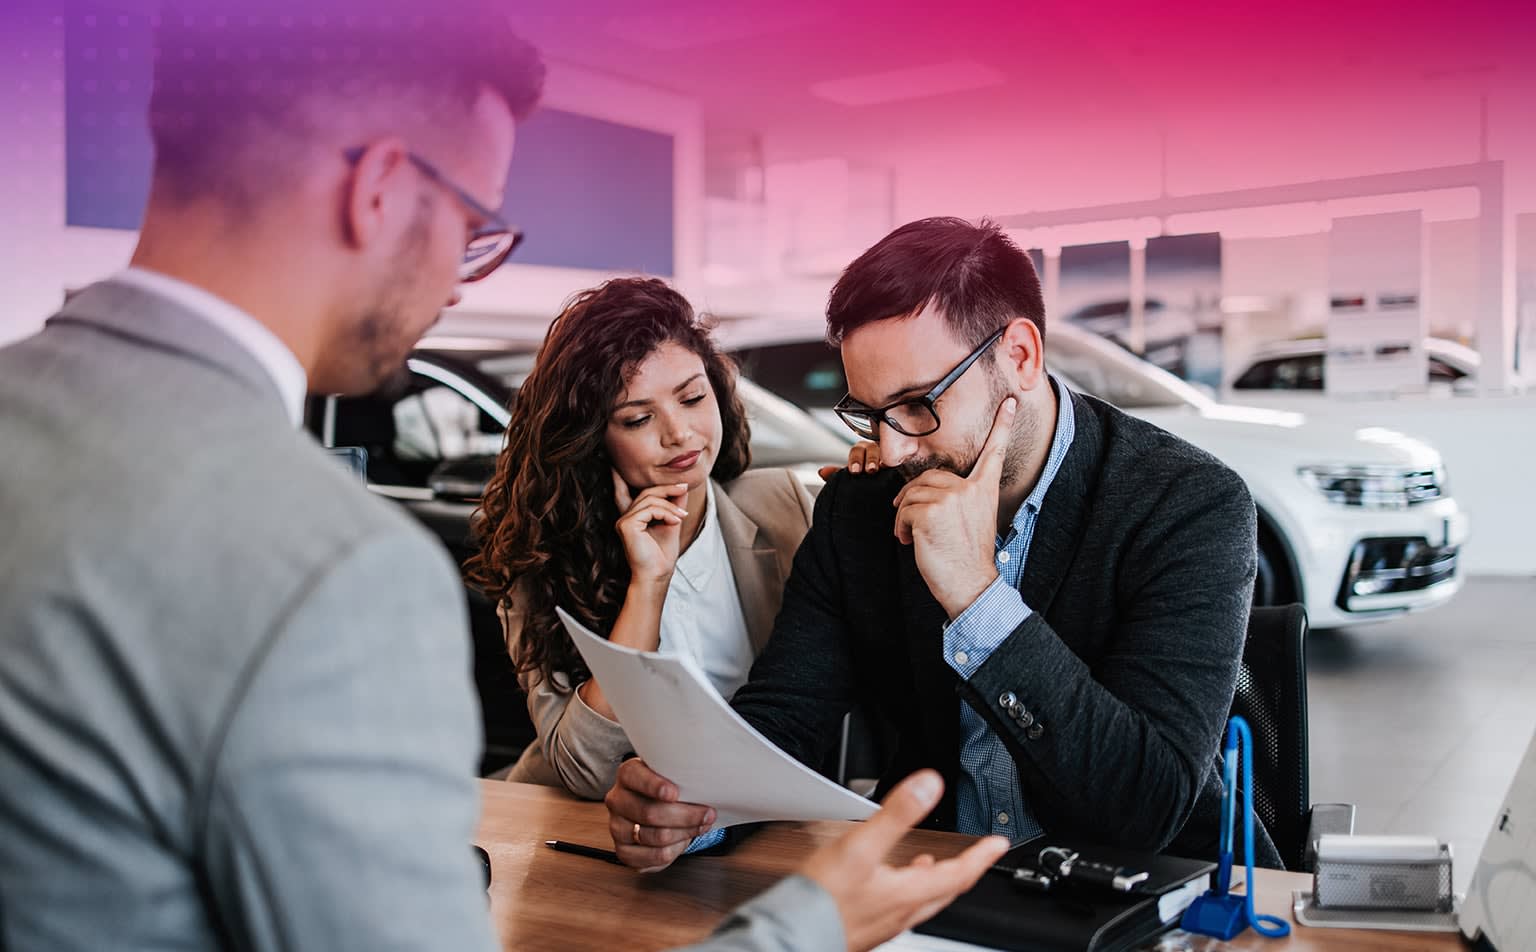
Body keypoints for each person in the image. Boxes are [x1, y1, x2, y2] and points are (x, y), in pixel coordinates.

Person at [0, 5, 1000, 950]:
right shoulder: (335, 570)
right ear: (380, 191)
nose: (455, 279)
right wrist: (814, 923)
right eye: (472, 224)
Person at [603, 216, 1281, 872]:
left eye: (918, 403)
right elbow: (786, 718)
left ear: (1018, 356)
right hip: (938, 881)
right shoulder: (861, 508)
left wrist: (977, 596)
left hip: (1146, 892)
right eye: (871, 413)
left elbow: (1143, 804)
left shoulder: (1187, 503)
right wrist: (691, 809)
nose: (892, 448)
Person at [469, 277, 825, 798]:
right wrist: (648, 586)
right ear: (593, 440)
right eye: (638, 419)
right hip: (583, 833)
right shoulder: (546, 561)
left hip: (753, 820)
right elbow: (587, 772)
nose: (679, 433)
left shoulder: (783, 505)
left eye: (692, 398)